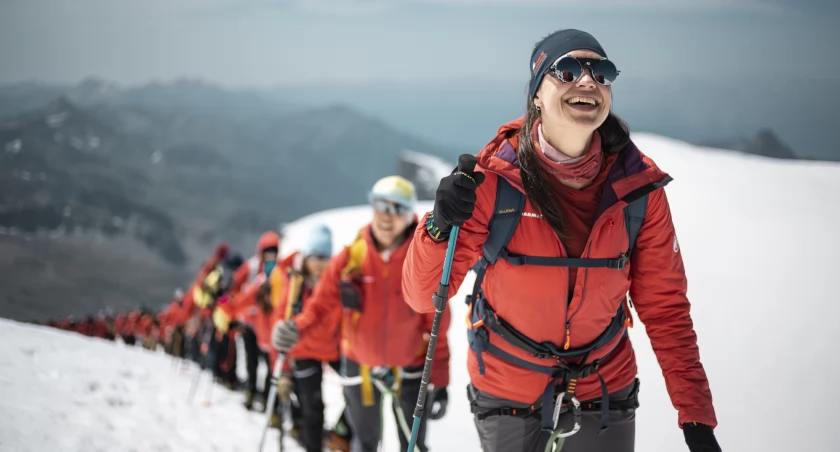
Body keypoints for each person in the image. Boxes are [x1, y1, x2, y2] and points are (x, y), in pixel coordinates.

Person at [402, 29, 720, 452]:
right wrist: (438, 226)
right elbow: (423, 298)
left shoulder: (638, 189)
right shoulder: (493, 181)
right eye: (567, 70)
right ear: (536, 94)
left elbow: (665, 308)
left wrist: (694, 414)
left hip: (604, 387)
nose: (588, 82)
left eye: (601, 73)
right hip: (508, 390)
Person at [273, 176, 451, 452]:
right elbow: (320, 306)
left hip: (410, 366)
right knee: (365, 443)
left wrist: (440, 380)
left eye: (397, 208)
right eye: (381, 205)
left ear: (409, 214)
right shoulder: (351, 258)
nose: (387, 216)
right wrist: (295, 328)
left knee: (412, 445)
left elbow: (437, 322)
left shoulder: (421, 260)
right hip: (361, 365)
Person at [262, 224, 338, 451]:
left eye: (324, 257)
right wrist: (282, 370)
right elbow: (281, 328)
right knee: (313, 408)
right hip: (304, 352)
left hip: (333, 350)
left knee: (361, 397)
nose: (318, 262)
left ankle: (339, 437)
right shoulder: (295, 286)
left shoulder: (337, 285)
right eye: (314, 256)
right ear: (306, 257)